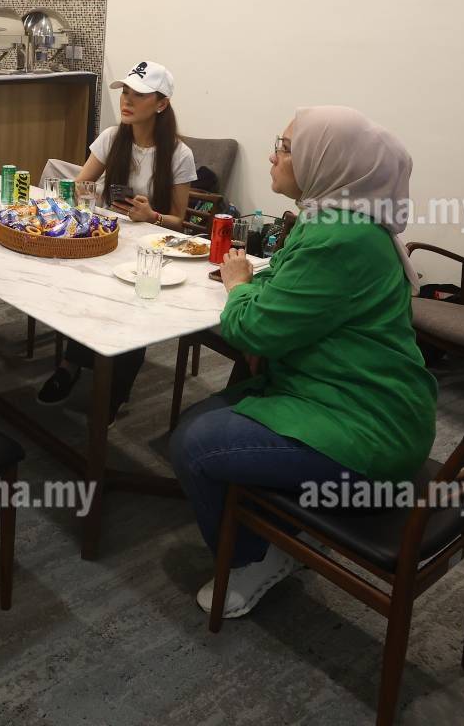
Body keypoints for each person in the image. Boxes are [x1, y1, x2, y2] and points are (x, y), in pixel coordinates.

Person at [168, 106, 437, 619]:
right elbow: (276, 287)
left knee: (194, 444)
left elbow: (252, 326)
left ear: (328, 161)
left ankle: (256, 559)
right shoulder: (333, 221)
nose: (273, 155)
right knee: (206, 416)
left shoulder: (340, 236)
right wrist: (254, 293)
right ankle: (277, 525)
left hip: (369, 429)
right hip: (339, 395)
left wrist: (239, 286)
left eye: (286, 147)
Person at [36, 59, 198, 419]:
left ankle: (114, 391)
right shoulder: (112, 137)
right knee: (83, 290)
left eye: (138, 94)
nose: (127, 100)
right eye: (125, 92)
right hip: (109, 239)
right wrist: (80, 193)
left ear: (161, 104)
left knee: (132, 308)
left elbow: (179, 221)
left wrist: (152, 216)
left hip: (152, 251)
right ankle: (71, 365)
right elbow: (81, 185)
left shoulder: (179, 154)